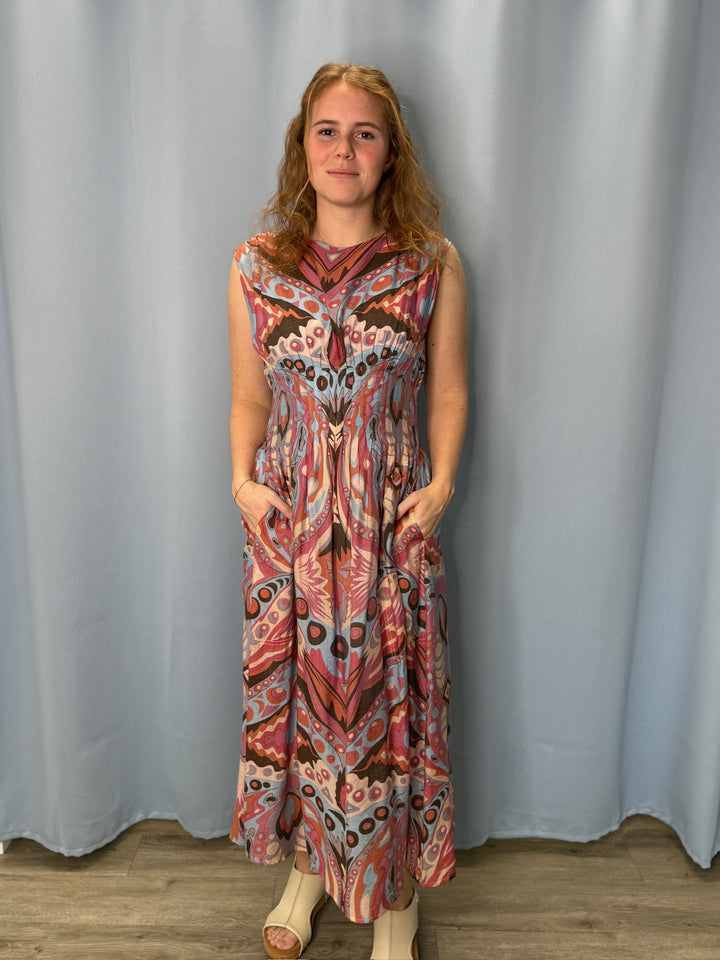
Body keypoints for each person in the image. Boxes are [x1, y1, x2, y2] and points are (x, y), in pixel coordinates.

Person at [227, 62, 467, 960]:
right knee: (303, 711)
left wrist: (440, 485)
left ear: (389, 154)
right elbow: (250, 398)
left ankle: (394, 897)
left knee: (390, 716)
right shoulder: (258, 267)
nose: (343, 149)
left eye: (364, 133)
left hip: (390, 528)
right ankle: (306, 872)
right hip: (290, 532)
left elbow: (447, 392)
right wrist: (243, 483)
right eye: (327, 130)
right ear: (304, 145)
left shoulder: (431, 264)